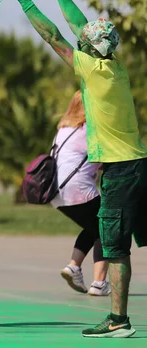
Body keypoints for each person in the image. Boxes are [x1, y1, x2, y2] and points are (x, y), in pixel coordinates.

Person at [9, 0, 147, 338]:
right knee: (121, 238)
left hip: (121, 170)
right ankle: (118, 316)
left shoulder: (93, 72)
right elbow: (82, 28)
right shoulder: (112, 66)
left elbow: (55, 35)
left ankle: (118, 320)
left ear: (89, 49)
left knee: (115, 247)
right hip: (135, 164)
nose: (82, 41)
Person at [51, 91, 109, 296]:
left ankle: (73, 267)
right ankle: (99, 283)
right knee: (106, 227)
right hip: (78, 190)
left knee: (93, 225)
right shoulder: (89, 130)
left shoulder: (63, 130)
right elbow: (104, 160)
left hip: (56, 194)